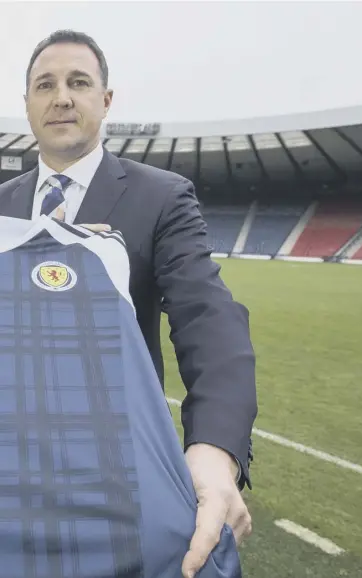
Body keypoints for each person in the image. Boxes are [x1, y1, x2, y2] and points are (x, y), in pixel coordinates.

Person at [0, 29, 257, 578]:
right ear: (27, 105)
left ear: (106, 100)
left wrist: (214, 453)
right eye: (45, 85)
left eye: (78, 82)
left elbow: (208, 317)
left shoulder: (160, 195)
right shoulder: (1, 205)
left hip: (114, 461)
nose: (61, 96)